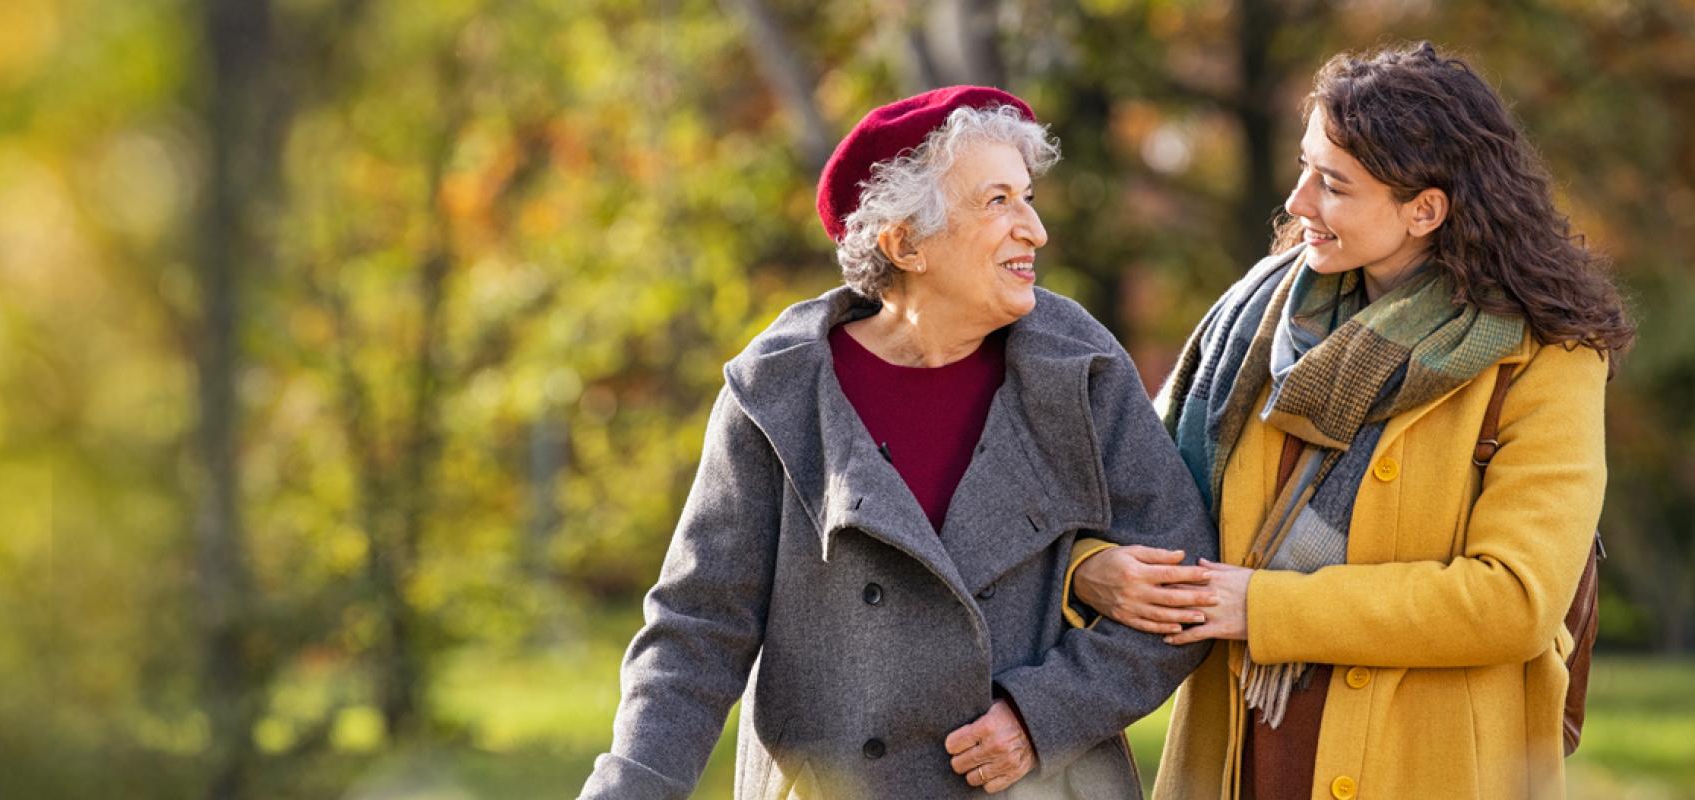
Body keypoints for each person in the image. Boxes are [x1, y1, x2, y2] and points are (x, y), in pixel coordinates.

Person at [577, 86, 1215, 800]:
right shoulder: (779, 392)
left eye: (1028, 197)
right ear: (905, 242)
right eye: (997, 202)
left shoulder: (1078, 368)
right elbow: (697, 630)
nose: (1033, 228)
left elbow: (1183, 585)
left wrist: (1044, 715)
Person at [1068, 42, 1634, 799]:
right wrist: (1091, 569)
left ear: (1424, 209)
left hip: (1427, 767)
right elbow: (1131, 499)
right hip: (1237, 756)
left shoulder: (1546, 358)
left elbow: (1514, 601)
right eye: (1305, 168)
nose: (1298, 201)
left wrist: (1265, 608)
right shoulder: (1256, 326)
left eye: (1332, 184)